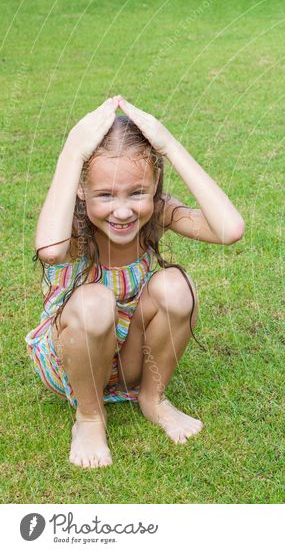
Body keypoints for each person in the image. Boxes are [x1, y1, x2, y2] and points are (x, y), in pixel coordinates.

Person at [26, 96, 245, 468]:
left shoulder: (157, 215)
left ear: (155, 183)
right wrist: (71, 153)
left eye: (137, 192)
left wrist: (169, 146)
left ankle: (153, 398)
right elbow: (48, 250)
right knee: (95, 301)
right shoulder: (76, 230)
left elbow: (230, 229)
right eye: (106, 195)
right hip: (74, 359)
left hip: (130, 358)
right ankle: (90, 417)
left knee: (177, 285)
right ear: (81, 189)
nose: (123, 211)